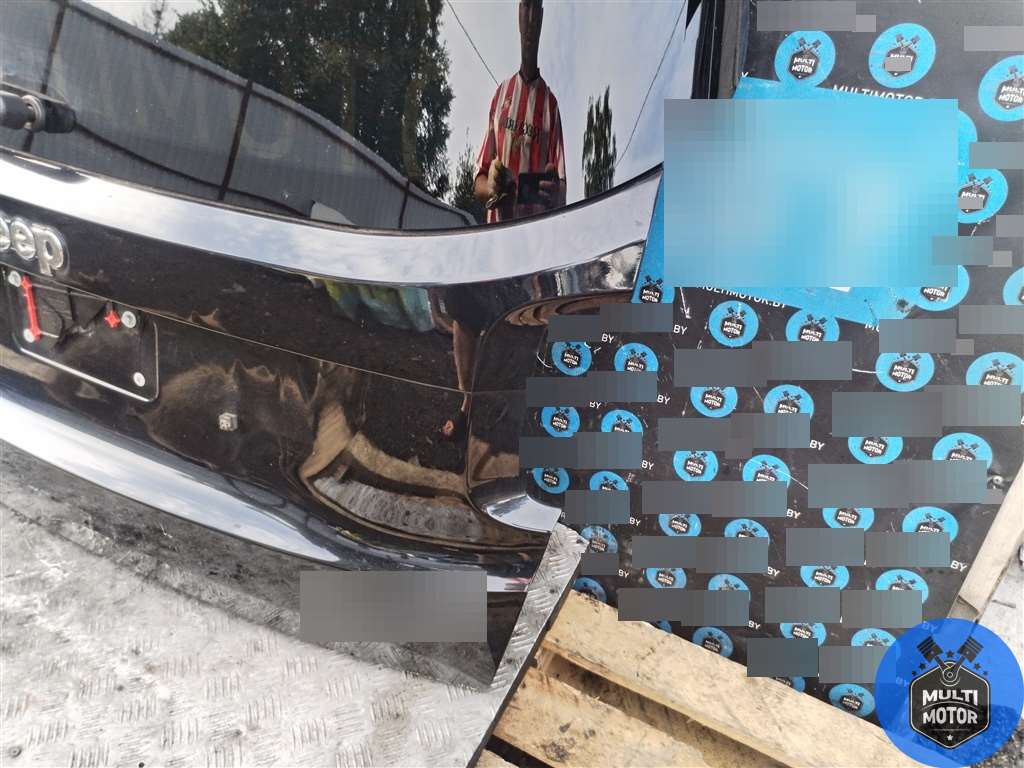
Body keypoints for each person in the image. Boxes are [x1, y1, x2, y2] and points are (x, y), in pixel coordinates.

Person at [440, 0, 567, 441]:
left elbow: (562, 189)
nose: (530, 21)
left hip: (531, 249)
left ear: (543, 20)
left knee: (521, 332)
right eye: (524, 9)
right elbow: (478, 182)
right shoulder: (501, 95)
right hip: (493, 240)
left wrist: (545, 193)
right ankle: (468, 406)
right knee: (462, 310)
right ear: (517, 17)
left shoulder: (551, 105)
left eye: (536, 11)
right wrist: (494, 185)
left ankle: (513, 416)